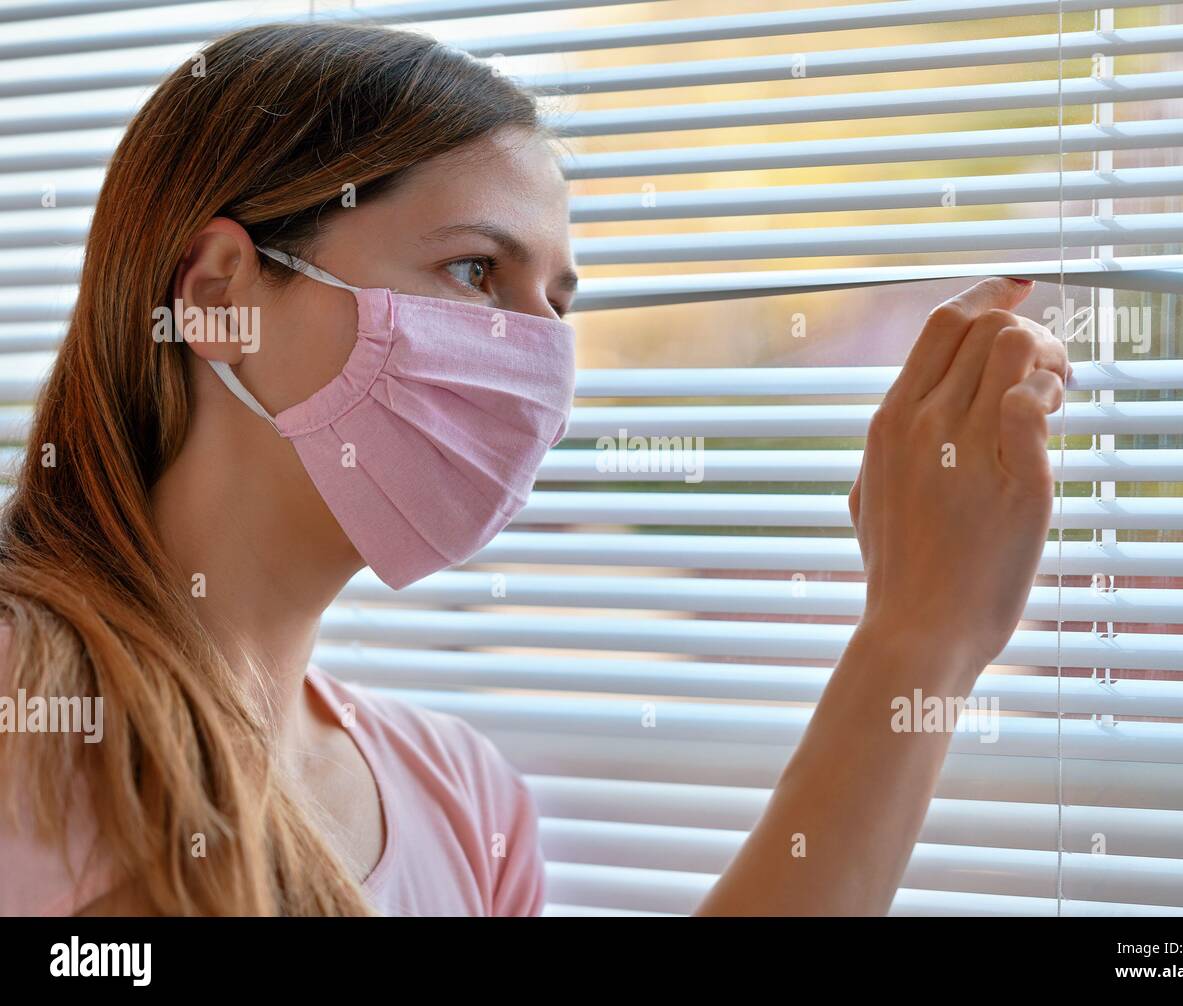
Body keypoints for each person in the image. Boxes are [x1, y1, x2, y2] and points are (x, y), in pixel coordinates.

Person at [0, 22, 1067, 917]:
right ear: (223, 290)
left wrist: (919, 637)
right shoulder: (32, 704)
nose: (536, 356)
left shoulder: (466, 802)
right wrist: (911, 644)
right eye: (475, 270)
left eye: (557, 304)